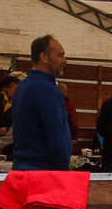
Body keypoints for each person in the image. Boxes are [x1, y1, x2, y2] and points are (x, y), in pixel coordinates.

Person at [9, 35, 72, 171]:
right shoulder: (47, 90)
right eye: (60, 55)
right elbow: (56, 136)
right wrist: (63, 170)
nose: (64, 60)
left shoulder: (22, 86)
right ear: (43, 57)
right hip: (43, 171)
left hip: (21, 167)